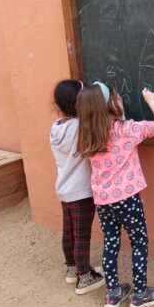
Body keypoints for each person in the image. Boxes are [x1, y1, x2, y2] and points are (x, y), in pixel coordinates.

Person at [76, 81, 154, 307]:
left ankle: (112, 294)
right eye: (116, 98)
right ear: (111, 106)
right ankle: (140, 294)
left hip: (103, 200)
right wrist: (151, 101)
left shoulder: (87, 134)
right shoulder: (125, 130)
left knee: (110, 242)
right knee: (139, 241)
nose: (121, 100)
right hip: (127, 199)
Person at [50, 79, 105, 294]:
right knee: (82, 236)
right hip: (82, 191)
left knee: (69, 231)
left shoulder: (56, 129)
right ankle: (85, 277)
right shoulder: (82, 126)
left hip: (64, 189)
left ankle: (72, 269)